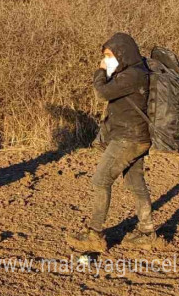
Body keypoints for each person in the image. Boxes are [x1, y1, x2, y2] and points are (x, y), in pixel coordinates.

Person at [67, 32, 156, 252]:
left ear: (122, 53)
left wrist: (100, 71)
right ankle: (147, 231)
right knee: (135, 182)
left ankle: (95, 235)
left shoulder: (131, 76)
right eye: (106, 56)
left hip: (128, 138)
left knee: (100, 181)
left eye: (110, 55)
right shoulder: (135, 71)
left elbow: (101, 94)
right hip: (138, 137)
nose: (107, 60)